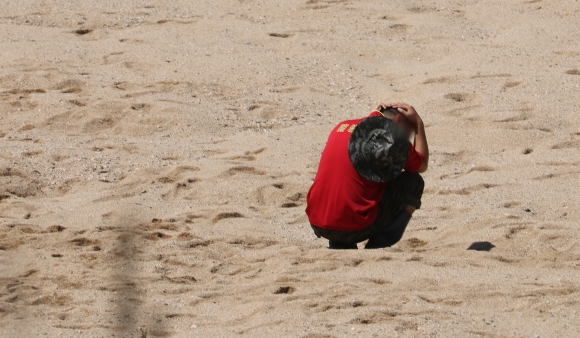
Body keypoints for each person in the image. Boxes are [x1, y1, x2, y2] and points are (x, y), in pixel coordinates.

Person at [305, 102, 429, 249]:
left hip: (318, 222)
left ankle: (339, 244)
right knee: (413, 181)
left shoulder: (342, 126)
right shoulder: (390, 134)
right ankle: (379, 244)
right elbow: (421, 165)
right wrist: (419, 124)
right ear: (398, 120)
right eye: (409, 131)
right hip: (355, 228)